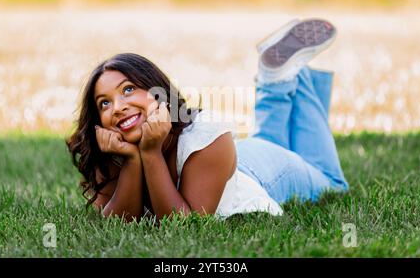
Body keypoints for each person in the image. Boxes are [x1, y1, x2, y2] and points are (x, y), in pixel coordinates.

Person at [66, 18, 349, 223]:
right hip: (229, 164)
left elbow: (182, 225)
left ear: (156, 90)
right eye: (105, 102)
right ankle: (277, 79)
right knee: (271, 140)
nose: (118, 107)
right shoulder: (110, 149)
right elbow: (118, 222)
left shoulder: (207, 135)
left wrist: (150, 153)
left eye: (128, 89)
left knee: (333, 183)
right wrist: (132, 159)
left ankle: (287, 75)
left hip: (258, 173)